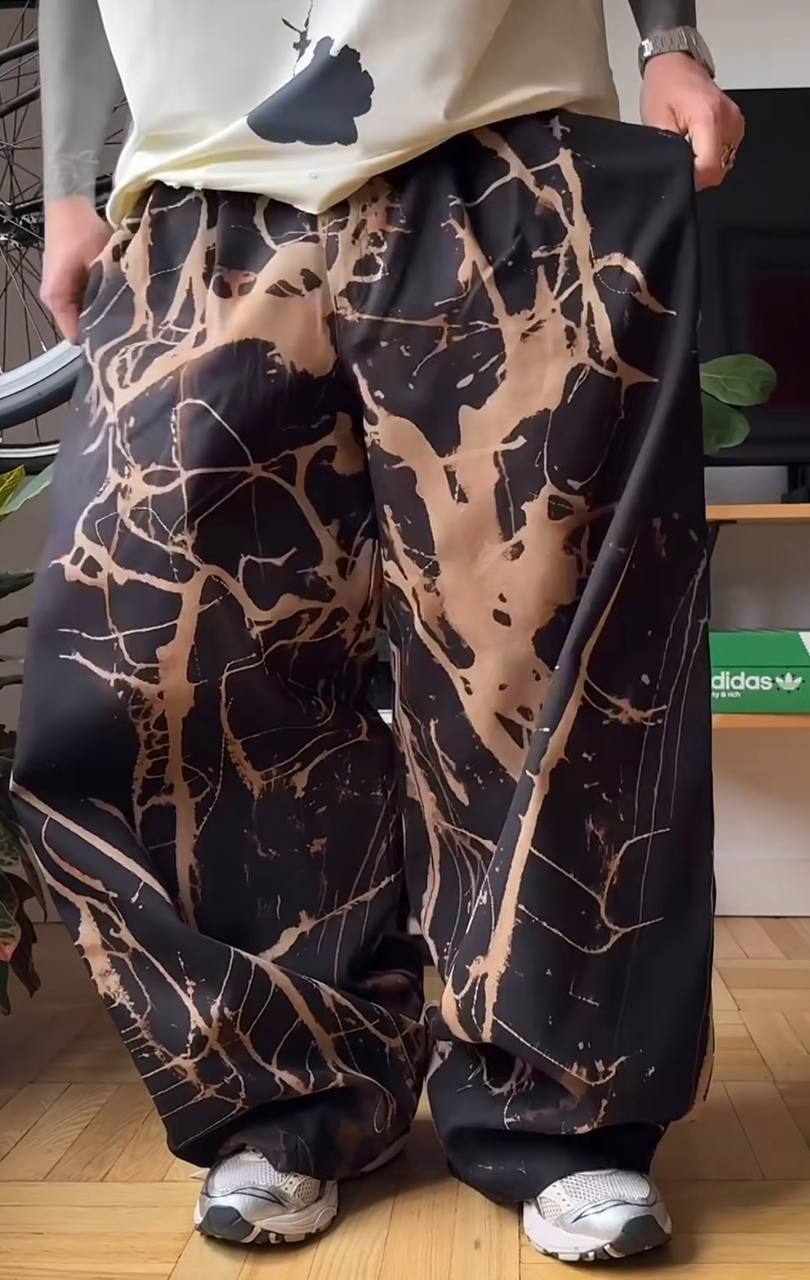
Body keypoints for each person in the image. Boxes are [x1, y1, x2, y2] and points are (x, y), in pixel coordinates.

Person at [14, 0, 743, 1264]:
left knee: (538, 658)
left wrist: (669, 35)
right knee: (178, 665)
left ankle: (561, 1113)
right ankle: (289, 1094)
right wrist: (75, 176)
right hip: (199, 169)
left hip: (498, 123)